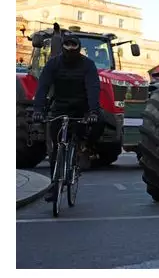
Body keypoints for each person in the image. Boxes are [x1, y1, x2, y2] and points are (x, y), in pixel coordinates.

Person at [31, 33, 102, 202]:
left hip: (82, 107)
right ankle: (54, 187)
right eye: (67, 45)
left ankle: (85, 148)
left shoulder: (88, 65)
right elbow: (43, 87)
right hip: (60, 107)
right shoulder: (53, 64)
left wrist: (92, 111)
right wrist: (38, 110)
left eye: (73, 45)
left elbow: (93, 88)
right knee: (56, 147)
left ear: (78, 47)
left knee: (99, 121)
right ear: (63, 46)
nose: (70, 48)